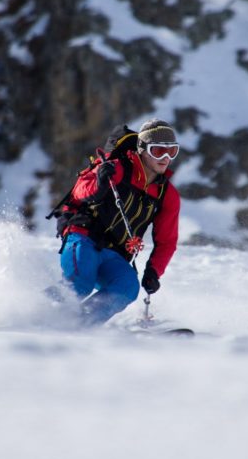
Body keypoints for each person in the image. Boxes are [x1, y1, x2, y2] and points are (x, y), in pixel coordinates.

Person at [52, 119, 181, 326]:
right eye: (158, 151)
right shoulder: (117, 168)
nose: (165, 158)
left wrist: (153, 272)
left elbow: (167, 241)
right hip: (84, 237)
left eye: (172, 151)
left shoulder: (167, 194)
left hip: (116, 253)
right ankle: (35, 312)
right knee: (80, 284)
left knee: (127, 287)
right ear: (143, 149)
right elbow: (79, 191)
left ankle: (80, 324)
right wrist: (100, 184)